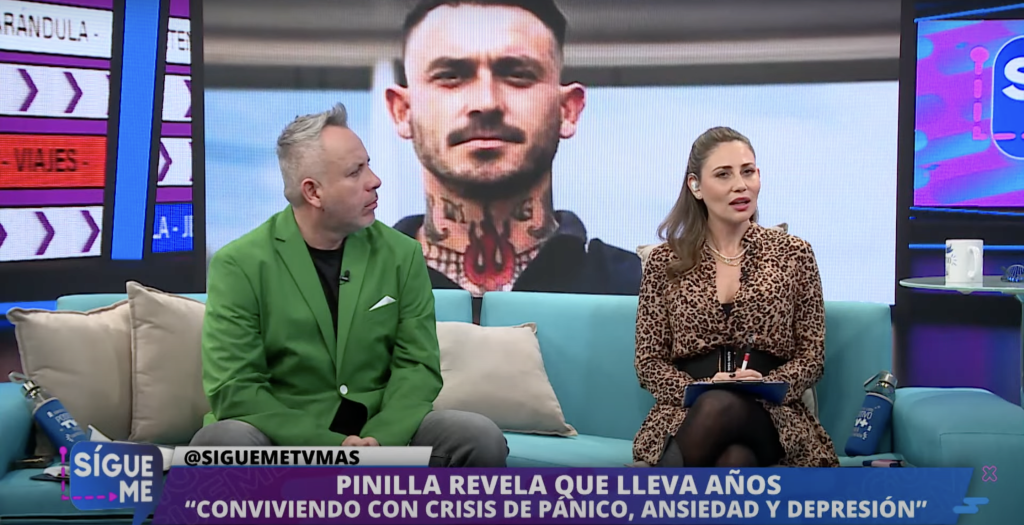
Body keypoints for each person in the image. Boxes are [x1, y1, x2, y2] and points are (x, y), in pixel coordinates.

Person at [192, 103, 509, 468]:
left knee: (476, 436)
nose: (374, 180)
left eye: (368, 165)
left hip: (381, 429)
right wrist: (331, 446)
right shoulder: (240, 264)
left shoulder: (401, 254)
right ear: (313, 193)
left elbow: (417, 368)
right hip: (287, 438)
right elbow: (236, 387)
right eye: (356, 172)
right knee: (222, 442)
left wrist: (380, 438)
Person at [385, 0, 640, 298]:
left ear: (567, 110)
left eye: (518, 75)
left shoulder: (651, 295)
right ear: (402, 112)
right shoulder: (344, 296)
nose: (486, 102)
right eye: (450, 76)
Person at [632, 126, 839, 468]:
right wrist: (697, 389)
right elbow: (649, 363)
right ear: (695, 186)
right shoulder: (665, 262)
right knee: (734, 459)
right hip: (688, 411)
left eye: (748, 172)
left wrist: (769, 384)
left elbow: (811, 356)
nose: (740, 185)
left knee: (721, 406)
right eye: (723, 175)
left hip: (772, 414)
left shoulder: (793, 254)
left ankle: (647, 492)